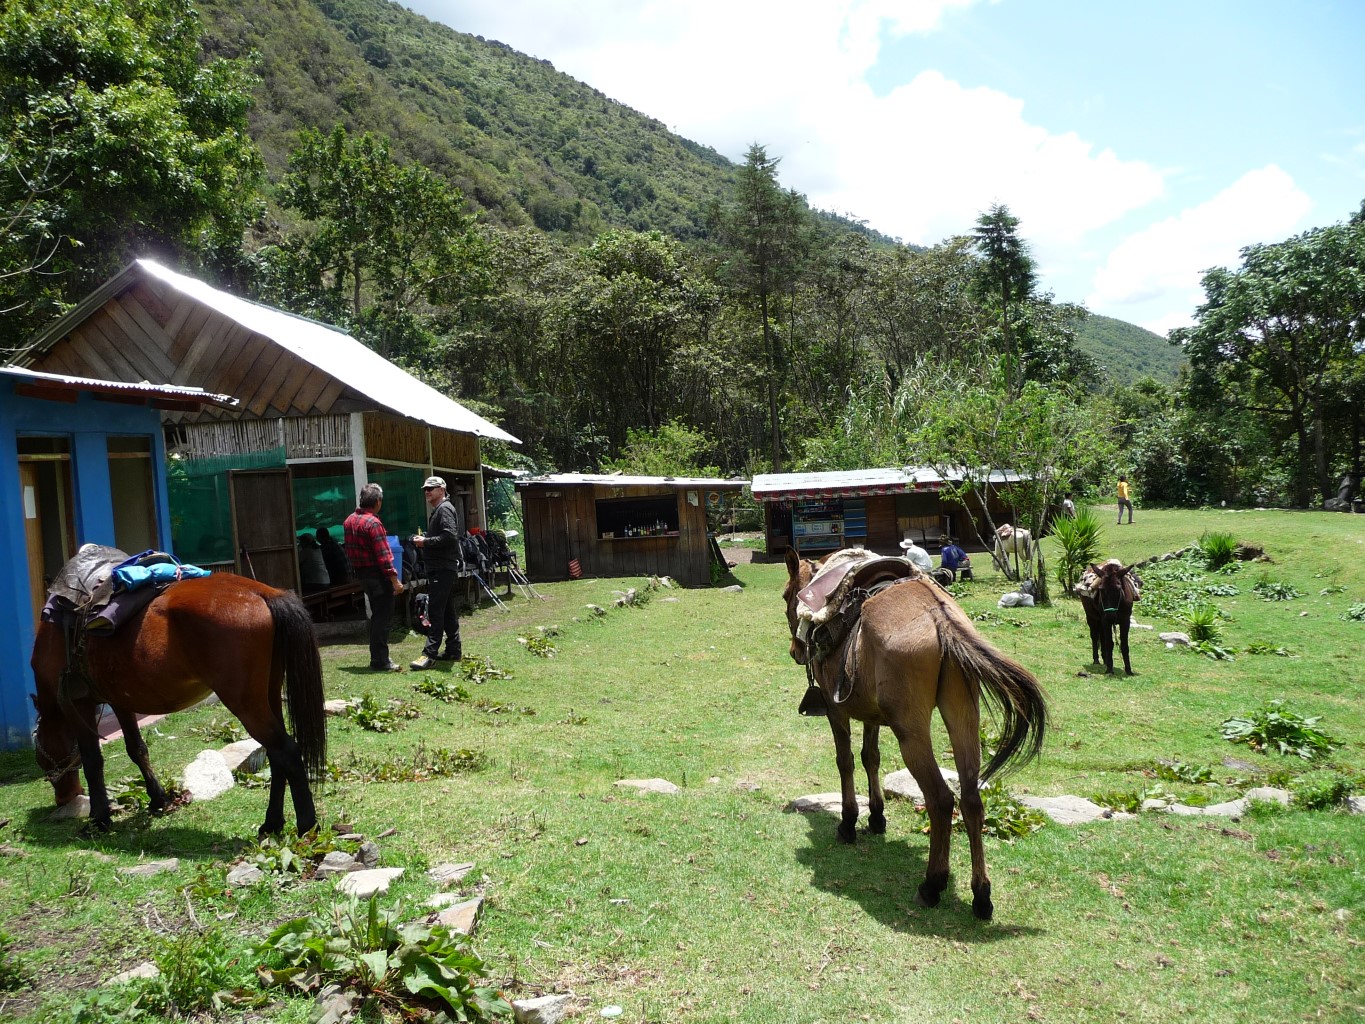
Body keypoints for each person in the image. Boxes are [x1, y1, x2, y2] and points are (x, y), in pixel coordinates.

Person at [343, 483, 404, 672]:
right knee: (382, 617)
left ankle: (377, 656)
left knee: (378, 615)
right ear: (378, 501)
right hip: (377, 575)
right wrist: (395, 581)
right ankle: (380, 660)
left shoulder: (349, 521)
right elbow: (384, 557)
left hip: (361, 575)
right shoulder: (373, 523)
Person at [410, 476, 464, 669]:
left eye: (431, 488)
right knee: (447, 611)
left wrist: (425, 542)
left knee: (435, 611)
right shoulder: (440, 509)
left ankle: (429, 654)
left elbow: (450, 537)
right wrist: (427, 539)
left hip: (442, 568)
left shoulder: (444, 509)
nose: (427, 492)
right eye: (425, 489)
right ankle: (453, 650)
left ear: (442, 489)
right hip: (441, 567)